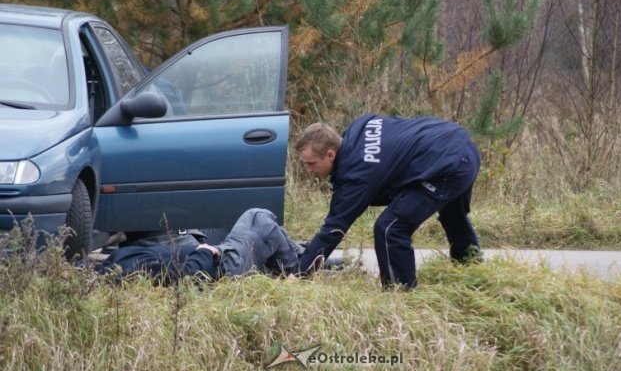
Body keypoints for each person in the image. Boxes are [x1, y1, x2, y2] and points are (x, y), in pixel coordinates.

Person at [294, 114, 482, 289]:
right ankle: (473, 272)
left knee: (390, 228)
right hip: (462, 145)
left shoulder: (357, 175)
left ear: (330, 155)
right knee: (453, 215)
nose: (309, 170)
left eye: (311, 163)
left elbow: (333, 229)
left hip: (451, 165)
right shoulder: (359, 127)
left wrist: (300, 274)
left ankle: (399, 295)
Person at [96, 208, 304, 283]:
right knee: (259, 217)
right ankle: (298, 270)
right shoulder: (129, 270)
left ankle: (303, 253)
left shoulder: (114, 262)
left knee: (259, 227)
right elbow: (184, 275)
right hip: (222, 265)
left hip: (202, 249)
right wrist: (204, 252)